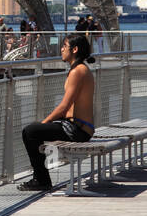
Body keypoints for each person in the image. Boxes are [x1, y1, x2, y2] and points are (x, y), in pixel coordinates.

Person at [18, 32, 96, 191]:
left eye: (64, 46)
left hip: (77, 130)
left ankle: (42, 180)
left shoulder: (77, 71)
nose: (61, 49)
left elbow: (64, 106)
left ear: (74, 50)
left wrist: (44, 122)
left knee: (30, 131)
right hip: (77, 127)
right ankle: (41, 178)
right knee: (33, 131)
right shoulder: (80, 69)